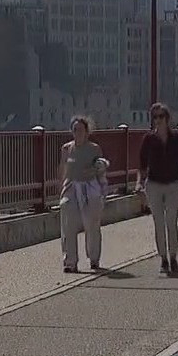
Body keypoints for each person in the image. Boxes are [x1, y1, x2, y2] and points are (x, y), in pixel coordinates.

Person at [136, 103, 178, 275]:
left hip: (174, 184)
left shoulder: (177, 138)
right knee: (159, 223)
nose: (158, 120)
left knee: (171, 222)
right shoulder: (148, 140)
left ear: (167, 118)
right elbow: (142, 165)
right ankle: (163, 259)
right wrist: (139, 183)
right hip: (154, 184)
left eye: (161, 116)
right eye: (155, 117)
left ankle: (173, 257)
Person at [59, 116, 109, 273]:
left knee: (92, 225)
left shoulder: (94, 148)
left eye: (80, 130)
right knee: (68, 225)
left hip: (89, 188)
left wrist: (101, 184)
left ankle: (94, 259)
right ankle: (70, 262)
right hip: (72, 187)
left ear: (87, 132)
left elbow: (101, 167)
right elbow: (63, 170)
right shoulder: (66, 148)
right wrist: (62, 188)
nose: (77, 133)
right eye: (75, 130)